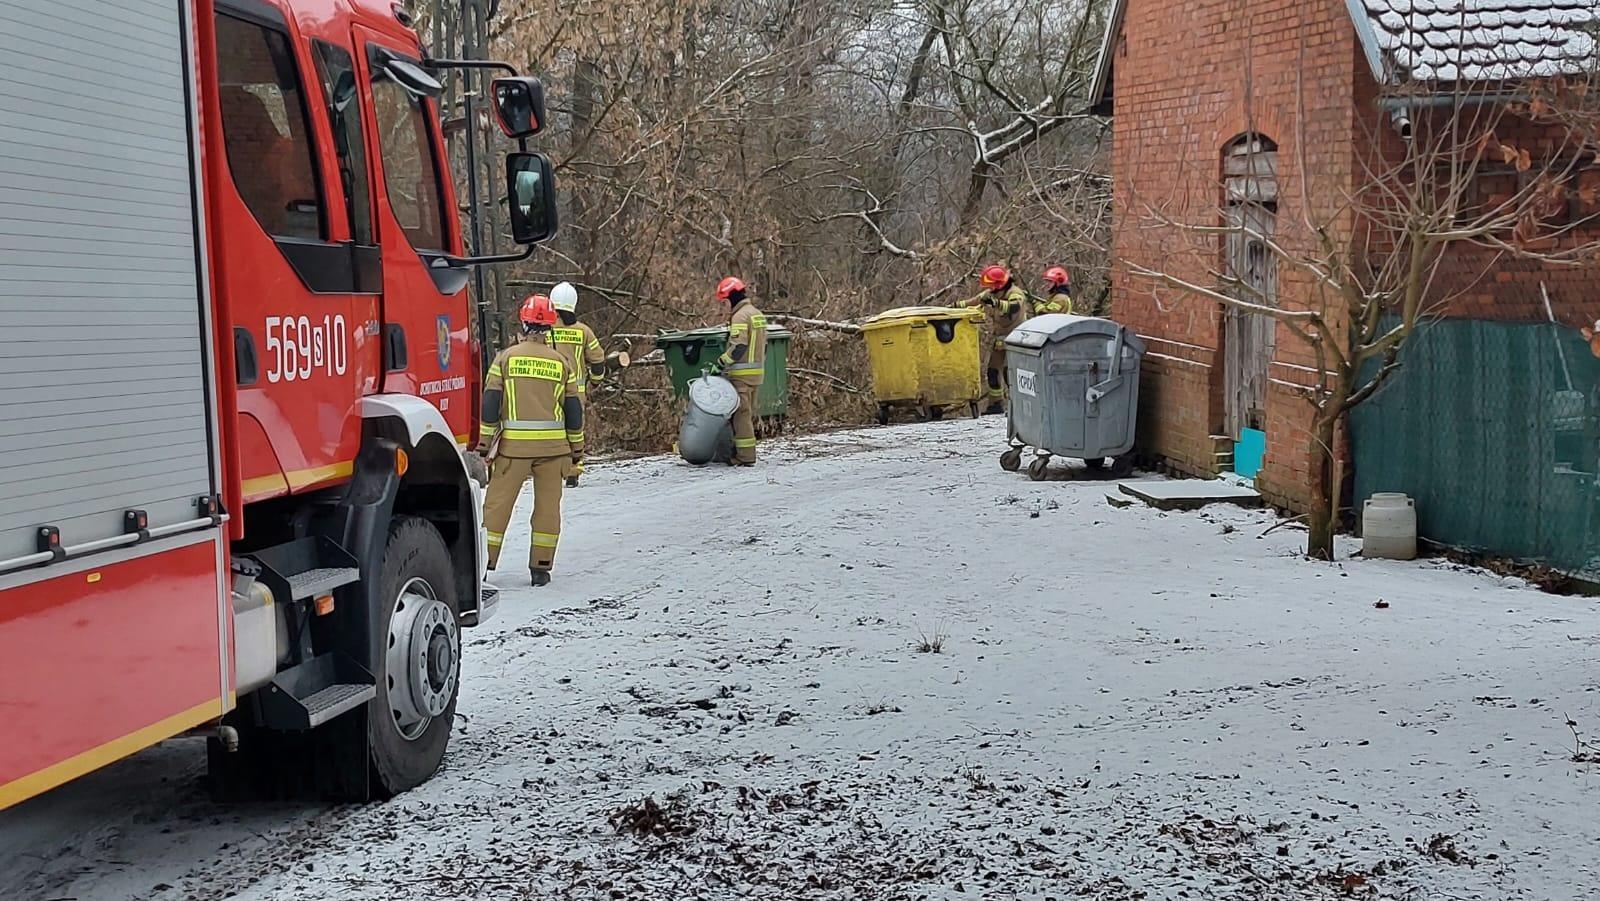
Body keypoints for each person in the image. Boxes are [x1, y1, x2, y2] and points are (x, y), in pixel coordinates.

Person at [474, 294, 584, 586]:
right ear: (550, 327)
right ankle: (541, 568)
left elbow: (490, 403)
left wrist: (484, 444)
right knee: (548, 509)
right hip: (554, 450)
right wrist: (577, 448)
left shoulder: (505, 359)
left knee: (497, 508)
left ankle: (484, 564)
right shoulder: (561, 363)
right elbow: (574, 411)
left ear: (523, 324)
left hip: (513, 450)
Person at [549, 281, 606, 487]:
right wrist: (596, 382)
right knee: (574, 430)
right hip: (576, 393)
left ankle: (551, 469)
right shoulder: (583, 331)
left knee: (551, 430)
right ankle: (573, 471)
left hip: (548, 392)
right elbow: (598, 360)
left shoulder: (544, 330)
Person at [708, 276, 767, 465]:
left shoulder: (740, 316)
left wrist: (720, 363)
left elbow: (739, 346)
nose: (723, 306)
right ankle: (744, 453)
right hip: (756, 373)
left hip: (741, 375)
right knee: (747, 415)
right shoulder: (756, 313)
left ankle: (745, 457)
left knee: (741, 417)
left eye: (723, 302)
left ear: (729, 298)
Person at [957, 265, 1030, 414]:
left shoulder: (1015, 293)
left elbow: (1014, 307)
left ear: (999, 284)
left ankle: (1019, 404)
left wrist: (996, 304)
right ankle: (996, 404)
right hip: (1000, 340)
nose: (989, 289)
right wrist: (953, 307)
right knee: (992, 371)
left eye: (991, 285)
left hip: (1016, 339)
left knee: (1009, 372)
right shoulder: (991, 293)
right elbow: (974, 301)